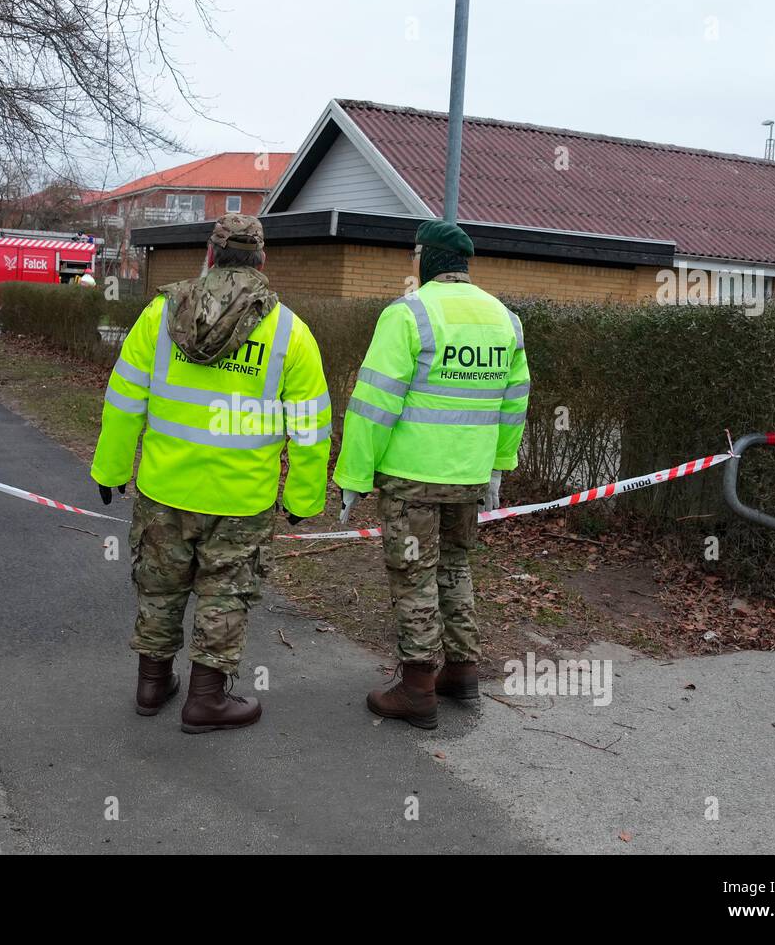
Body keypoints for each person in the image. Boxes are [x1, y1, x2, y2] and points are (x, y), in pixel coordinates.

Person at [91, 213, 331, 734]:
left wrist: (110, 468)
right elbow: (311, 430)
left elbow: (124, 399)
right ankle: (206, 699)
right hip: (241, 497)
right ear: (262, 260)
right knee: (225, 593)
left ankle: (151, 685)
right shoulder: (290, 330)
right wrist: (304, 498)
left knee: (160, 586)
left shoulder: (159, 315)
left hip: (164, 487)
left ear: (209, 256)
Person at [333, 219, 530, 730]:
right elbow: (514, 407)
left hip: (412, 476)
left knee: (413, 574)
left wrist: (353, 477)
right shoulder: (506, 319)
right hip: (467, 477)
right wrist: (497, 469)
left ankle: (417, 687)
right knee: (455, 569)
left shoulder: (409, 314)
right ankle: (461, 673)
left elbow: (373, 404)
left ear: (425, 260)